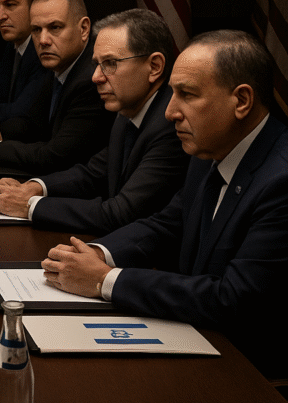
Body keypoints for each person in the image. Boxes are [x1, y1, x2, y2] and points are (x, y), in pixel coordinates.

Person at [40, 30, 288, 377]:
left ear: (242, 101)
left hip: (249, 371)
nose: (170, 112)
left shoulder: (280, 179)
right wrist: (98, 254)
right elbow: (168, 223)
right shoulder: (209, 149)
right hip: (195, 339)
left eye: (187, 94)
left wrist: (107, 280)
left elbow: (233, 299)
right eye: (172, 93)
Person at [0, 9, 189, 234]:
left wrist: (29, 205)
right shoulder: (128, 111)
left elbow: (120, 214)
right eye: (96, 64)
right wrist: (35, 188)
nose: (96, 77)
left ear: (154, 67)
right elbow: (93, 173)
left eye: (110, 63)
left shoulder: (171, 126)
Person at [0, 0, 113, 174]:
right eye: (36, 30)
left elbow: (56, 157)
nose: (43, 40)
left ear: (83, 29)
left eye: (55, 27)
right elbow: (30, 122)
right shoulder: (57, 65)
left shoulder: (91, 79)